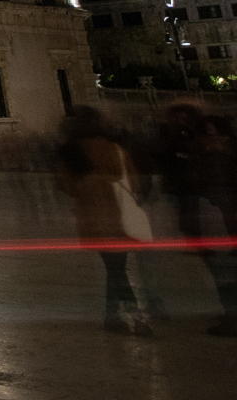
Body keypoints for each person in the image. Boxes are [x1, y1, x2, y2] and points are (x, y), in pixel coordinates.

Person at [55, 106, 154, 335]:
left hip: (93, 218)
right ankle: (136, 317)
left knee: (114, 269)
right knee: (117, 269)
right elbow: (134, 182)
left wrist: (89, 190)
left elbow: (65, 185)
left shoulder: (70, 153)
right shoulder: (114, 149)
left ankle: (112, 318)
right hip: (120, 216)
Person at [187, 114, 237, 337]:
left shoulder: (214, 154)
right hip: (229, 213)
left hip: (221, 213)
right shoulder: (225, 150)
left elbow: (202, 179)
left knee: (228, 270)